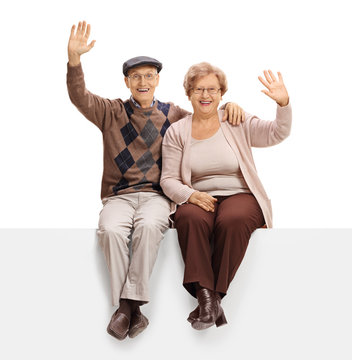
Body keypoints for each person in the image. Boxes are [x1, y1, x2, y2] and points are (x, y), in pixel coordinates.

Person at [66, 21, 243, 340]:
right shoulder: (110, 111)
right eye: (137, 76)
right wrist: (75, 61)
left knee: (148, 228)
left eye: (149, 75)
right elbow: (79, 97)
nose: (143, 81)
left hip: (158, 197)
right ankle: (131, 309)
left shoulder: (173, 114)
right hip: (118, 197)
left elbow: (205, 115)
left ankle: (125, 307)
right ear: (127, 81)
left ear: (158, 80)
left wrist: (229, 106)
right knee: (110, 231)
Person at [160, 62, 291, 330]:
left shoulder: (236, 120)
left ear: (222, 93)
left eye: (212, 89)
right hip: (198, 195)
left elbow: (277, 133)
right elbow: (168, 179)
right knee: (188, 218)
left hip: (240, 193)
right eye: (198, 89)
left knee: (233, 219)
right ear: (189, 94)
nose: (205, 95)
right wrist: (191, 195)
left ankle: (210, 299)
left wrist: (283, 104)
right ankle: (210, 299)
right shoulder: (177, 131)